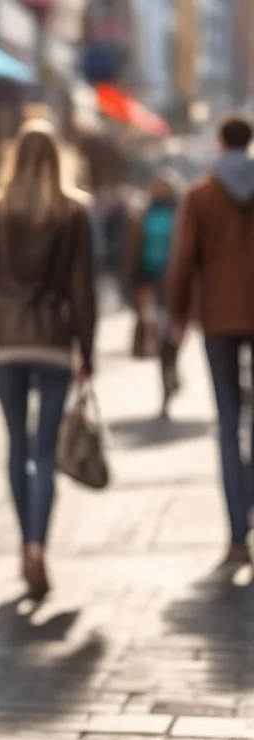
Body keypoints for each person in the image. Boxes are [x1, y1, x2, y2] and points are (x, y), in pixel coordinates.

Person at [0, 121, 96, 600]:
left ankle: (23, 543)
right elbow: (83, 288)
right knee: (45, 450)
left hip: (4, 340)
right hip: (54, 340)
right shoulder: (73, 211)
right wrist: (88, 351)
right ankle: (39, 544)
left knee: (17, 444)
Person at [166, 114, 254, 566]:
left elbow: (183, 260)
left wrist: (177, 315)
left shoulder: (201, 195)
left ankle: (238, 531)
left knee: (227, 418)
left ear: (221, 144)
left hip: (218, 318)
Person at [123, 170, 183, 417]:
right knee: (158, 335)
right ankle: (167, 378)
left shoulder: (181, 213)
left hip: (175, 284)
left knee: (173, 334)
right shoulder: (143, 214)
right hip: (149, 282)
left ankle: (171, 370)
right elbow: (132, 251)